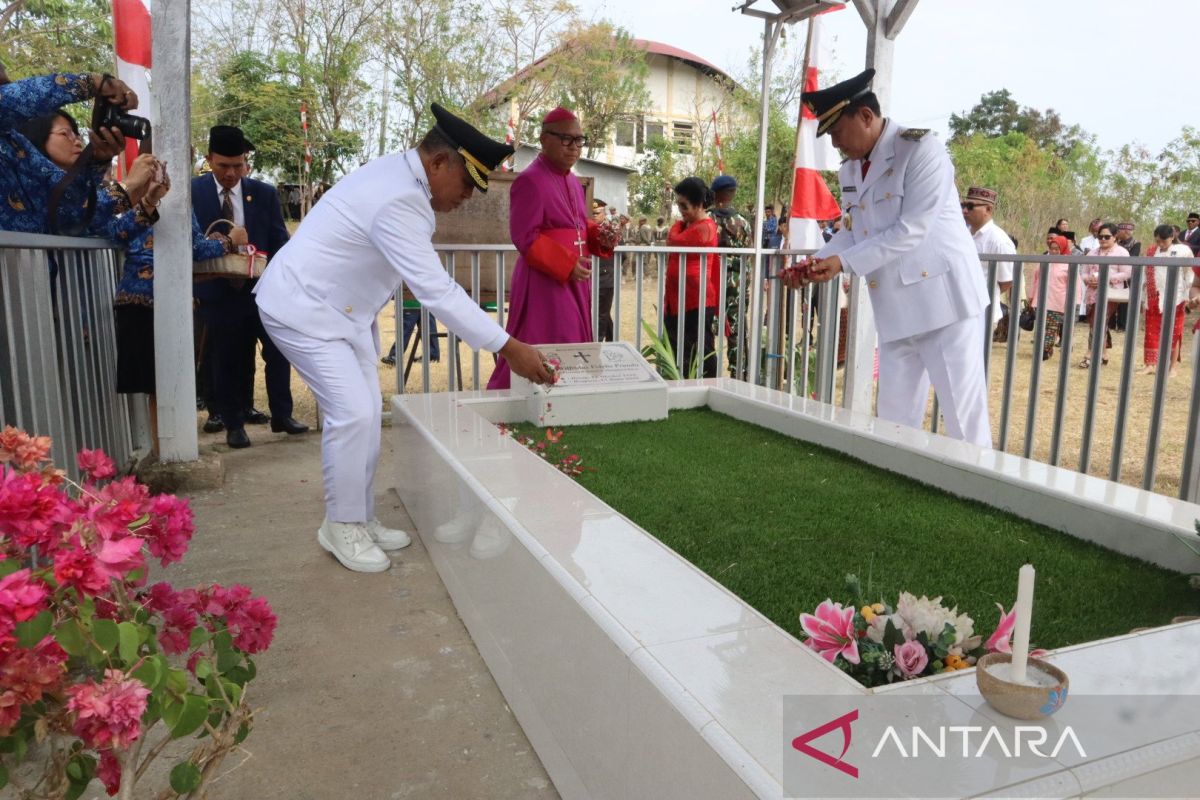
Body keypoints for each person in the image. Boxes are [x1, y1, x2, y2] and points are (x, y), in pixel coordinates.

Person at [254, 103, 552, 573]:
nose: (469, 198)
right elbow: (436, 291)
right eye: (468, 184)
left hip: (340, 313)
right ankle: (341, 525)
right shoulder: (400, 198)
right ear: (439, 163)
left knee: (368, 412)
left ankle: (360, 516)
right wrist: (507, 346)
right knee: (352, 414)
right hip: (303, 309)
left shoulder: (403, 178)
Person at [788, 68, 991, 447]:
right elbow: (853, 229)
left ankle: (984, 494)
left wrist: (843, 264)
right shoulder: (850, 168)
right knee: (895, 421)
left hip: (943, 303)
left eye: (836, 132)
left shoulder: (920, 149)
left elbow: (911, 229)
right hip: (896, 308)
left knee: (964, 418)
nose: (834, 144)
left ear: (865, 116)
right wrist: (818, 260)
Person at [193, 125, 306, 448]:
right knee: (228, 358)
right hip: (217, 292)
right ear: (209, 160)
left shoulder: (264, 193)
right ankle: (233, 424)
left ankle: (282, 415)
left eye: (237, 166)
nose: (230, 174)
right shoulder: (193, 192)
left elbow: (279, 241)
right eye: (223, 166)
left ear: (246, 163)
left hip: (262, 290)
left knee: (278, 350)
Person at [486, 106, 611, 388]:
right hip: (546, 281)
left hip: (574, 280)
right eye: (566, 139)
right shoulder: (531, 180)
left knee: (573, 342)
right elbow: (525, 236)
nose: (574, 147)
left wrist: (602, 235)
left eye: (580, 140)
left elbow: (579, 225)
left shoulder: (571, 180)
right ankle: (517, 400)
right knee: (550, 339)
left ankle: (572, 397)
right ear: (544, 139)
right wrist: (566, 264)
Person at [115, 212, 228, 452]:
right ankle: (166, 451)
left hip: (130, 302)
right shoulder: (178, 206)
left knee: (152, 386)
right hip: (161, 304)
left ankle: (158, 448)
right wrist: (229, 241)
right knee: (164, 383)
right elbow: (197, 248)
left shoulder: (131, 207)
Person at [1, 71, 158, 236]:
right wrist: (94, 83)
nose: (77, 140)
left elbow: (69, 204)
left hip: (35, 261)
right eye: (64, 133)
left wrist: (97, 162)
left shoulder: (15, 143)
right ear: (39, 137)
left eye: (76, 134)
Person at [665, 177, 720, 377]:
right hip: (677, 297)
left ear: (698, 204)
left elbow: (673, 240)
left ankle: (709, 386)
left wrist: (678, 225)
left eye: (684, 205)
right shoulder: (688, 225)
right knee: (677, 344)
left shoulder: (704, 227)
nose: (680, 210)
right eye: (678, 205)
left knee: (701, 347)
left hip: (697, 298)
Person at [709, 174, 752, 377]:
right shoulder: (743, 223)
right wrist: (746, 289)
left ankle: (705, 374)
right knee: (736, 331)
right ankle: (739, 374)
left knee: (705, 330)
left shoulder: (707, 220)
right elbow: (748, 262)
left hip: (710, 284)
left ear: (714, 193)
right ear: (733, 194)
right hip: (736, 285)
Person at [961, 186, 1015, 342]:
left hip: (981, 312)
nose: (965, 211)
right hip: (959, 310)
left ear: (988, 209)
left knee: (975, 364)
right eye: (963, 205)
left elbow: (1006, 281)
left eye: (970, 206)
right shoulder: (962, 234)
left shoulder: (998, 240)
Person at [1078, 222, 1130, 369]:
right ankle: (1104, 354)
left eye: (1107, 236)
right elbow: (1084, 272)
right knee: (1098, 322)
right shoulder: (1092, 253)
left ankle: (1090, 354)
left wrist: (1106, 278)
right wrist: (1089, 280)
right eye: (1100, 236)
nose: (1103, 239)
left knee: (1098, 321)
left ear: (1115, 237)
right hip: (1092, 292)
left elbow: (1126, 273)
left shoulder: (1122, 253)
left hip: (1110, 293)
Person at [1142, 223, 1192, 375]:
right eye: (1158, 241)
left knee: (1174, 332)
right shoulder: (1151, 251)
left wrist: (1187, 295)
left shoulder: (1183, 250)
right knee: (1151, 331)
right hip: (1154, 296)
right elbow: (1146, 273)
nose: (1160, 244)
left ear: (1172, 237)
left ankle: (1173, 367)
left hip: (1175, 297)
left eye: (1164, 241)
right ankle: (1150, 365)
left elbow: (1188, 274)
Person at [1025, 235, 1077, 362]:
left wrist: (1073, 302)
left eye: (1057, 249)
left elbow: (1074, 285)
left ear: (1063, 249)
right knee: (1040, 326)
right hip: (1041, 300)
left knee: (1051, 328)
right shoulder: (1044, 262)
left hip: (1057, 301)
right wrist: (1031, 296)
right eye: (1051, 248)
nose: (1053, 251)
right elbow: (1036, 281)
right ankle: (1040, 348)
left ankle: (1045, 350)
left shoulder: (1069, 265)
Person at [592, 199, 618, 341]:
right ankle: (611, 338)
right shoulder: (585, 228)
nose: (594, 215)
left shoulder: (611, 229)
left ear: (604, 214)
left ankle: (598, 341)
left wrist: (610, 268)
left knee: (601, 313)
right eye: (592, 213)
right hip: (590, 277)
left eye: (597, 213)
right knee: (602, 312)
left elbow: (622, 255)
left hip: (605, 277)